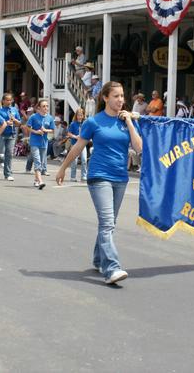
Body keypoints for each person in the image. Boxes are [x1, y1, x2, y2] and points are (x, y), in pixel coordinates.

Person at [56, 81, 142, 285]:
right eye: (116, 96)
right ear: (105, 98)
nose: (120, 100)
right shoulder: (94, 122)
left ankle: (98, 258)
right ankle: (111, 268)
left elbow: (139, 148)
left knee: (109, 224)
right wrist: (62, 168)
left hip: (120, 178)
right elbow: (78, 147)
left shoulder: (127, 120)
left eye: (122, 96)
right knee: (107, 222)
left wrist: (129, 121)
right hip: (99, 176)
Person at [0, 93, 21, 181]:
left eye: (10, 100)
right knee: (0, 154)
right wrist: (4, 124)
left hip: (11, 134)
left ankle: (8, 174)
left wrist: (14, 120)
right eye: (7, 100)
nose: (9, 102)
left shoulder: (14, 110)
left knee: (9, 154)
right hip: (0, 135)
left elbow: (19, 123)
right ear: (3, 101)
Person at [25, 99, 54, 190]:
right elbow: (28, 127)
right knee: (37, 161)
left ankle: (36, 180)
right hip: (34, 142)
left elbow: (52, 130)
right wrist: (36, 132)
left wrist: (45, 130)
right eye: (44, 106)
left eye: (47, 106)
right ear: (39, 108)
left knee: (41, 162)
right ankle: (41, 181)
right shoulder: (33, 117)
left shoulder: (50, 118)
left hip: (44, 143)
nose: (46, 108)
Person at [68, 108, 88, 182]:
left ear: (83, 116)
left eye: (81, 115)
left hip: (83, 144)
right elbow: (69, 133)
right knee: (74, 161)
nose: (80, 117)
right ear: (76, 116)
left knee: (84, 160)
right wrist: (75, 136)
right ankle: (73, 177)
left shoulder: (85, 123)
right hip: (74, 144)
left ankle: (84, 176)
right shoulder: (73, 124)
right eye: (78, 115)